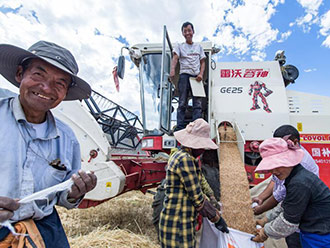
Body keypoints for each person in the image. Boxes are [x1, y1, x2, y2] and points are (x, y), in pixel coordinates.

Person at [0, 41, 97, 247]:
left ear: (64, 93)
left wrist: (75, 192)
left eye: (59, 83)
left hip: (44, 231)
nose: (46, 88)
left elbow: (63, 194)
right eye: (38, 75)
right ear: (19, 74)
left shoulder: (66, 138)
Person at [159, 118, 228, 248]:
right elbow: (197, 198)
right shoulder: (185, 160)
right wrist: (217, 219)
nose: (203, 149)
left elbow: (200, 179)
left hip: (180, 220)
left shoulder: (184, 156)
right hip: (177, 224)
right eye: (201, 146)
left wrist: (212, 197)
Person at [251, 137, 330, 247]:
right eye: (271, 167)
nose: (274, 171)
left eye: (278, 165)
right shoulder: (294, 177)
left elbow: (288, 222)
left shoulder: (300, 183)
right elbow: (286, 204)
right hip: (312, 231)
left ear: (288, 160)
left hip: (321, 236)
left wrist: (265, 232)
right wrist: (266, 219)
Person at [169, 21, 206, 131]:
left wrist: (201, 74)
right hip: (184, 76)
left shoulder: (198, 47)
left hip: (196, 78)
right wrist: (172, 70)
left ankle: (196, 127)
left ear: (193, 32)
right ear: (183, 33)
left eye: (189, 30)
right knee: (182, 103)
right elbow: (175, 58)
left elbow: (203, 62)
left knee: (197, 104)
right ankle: (180, 127)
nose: (187, 33)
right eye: (185, 31)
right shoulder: (179, 46)